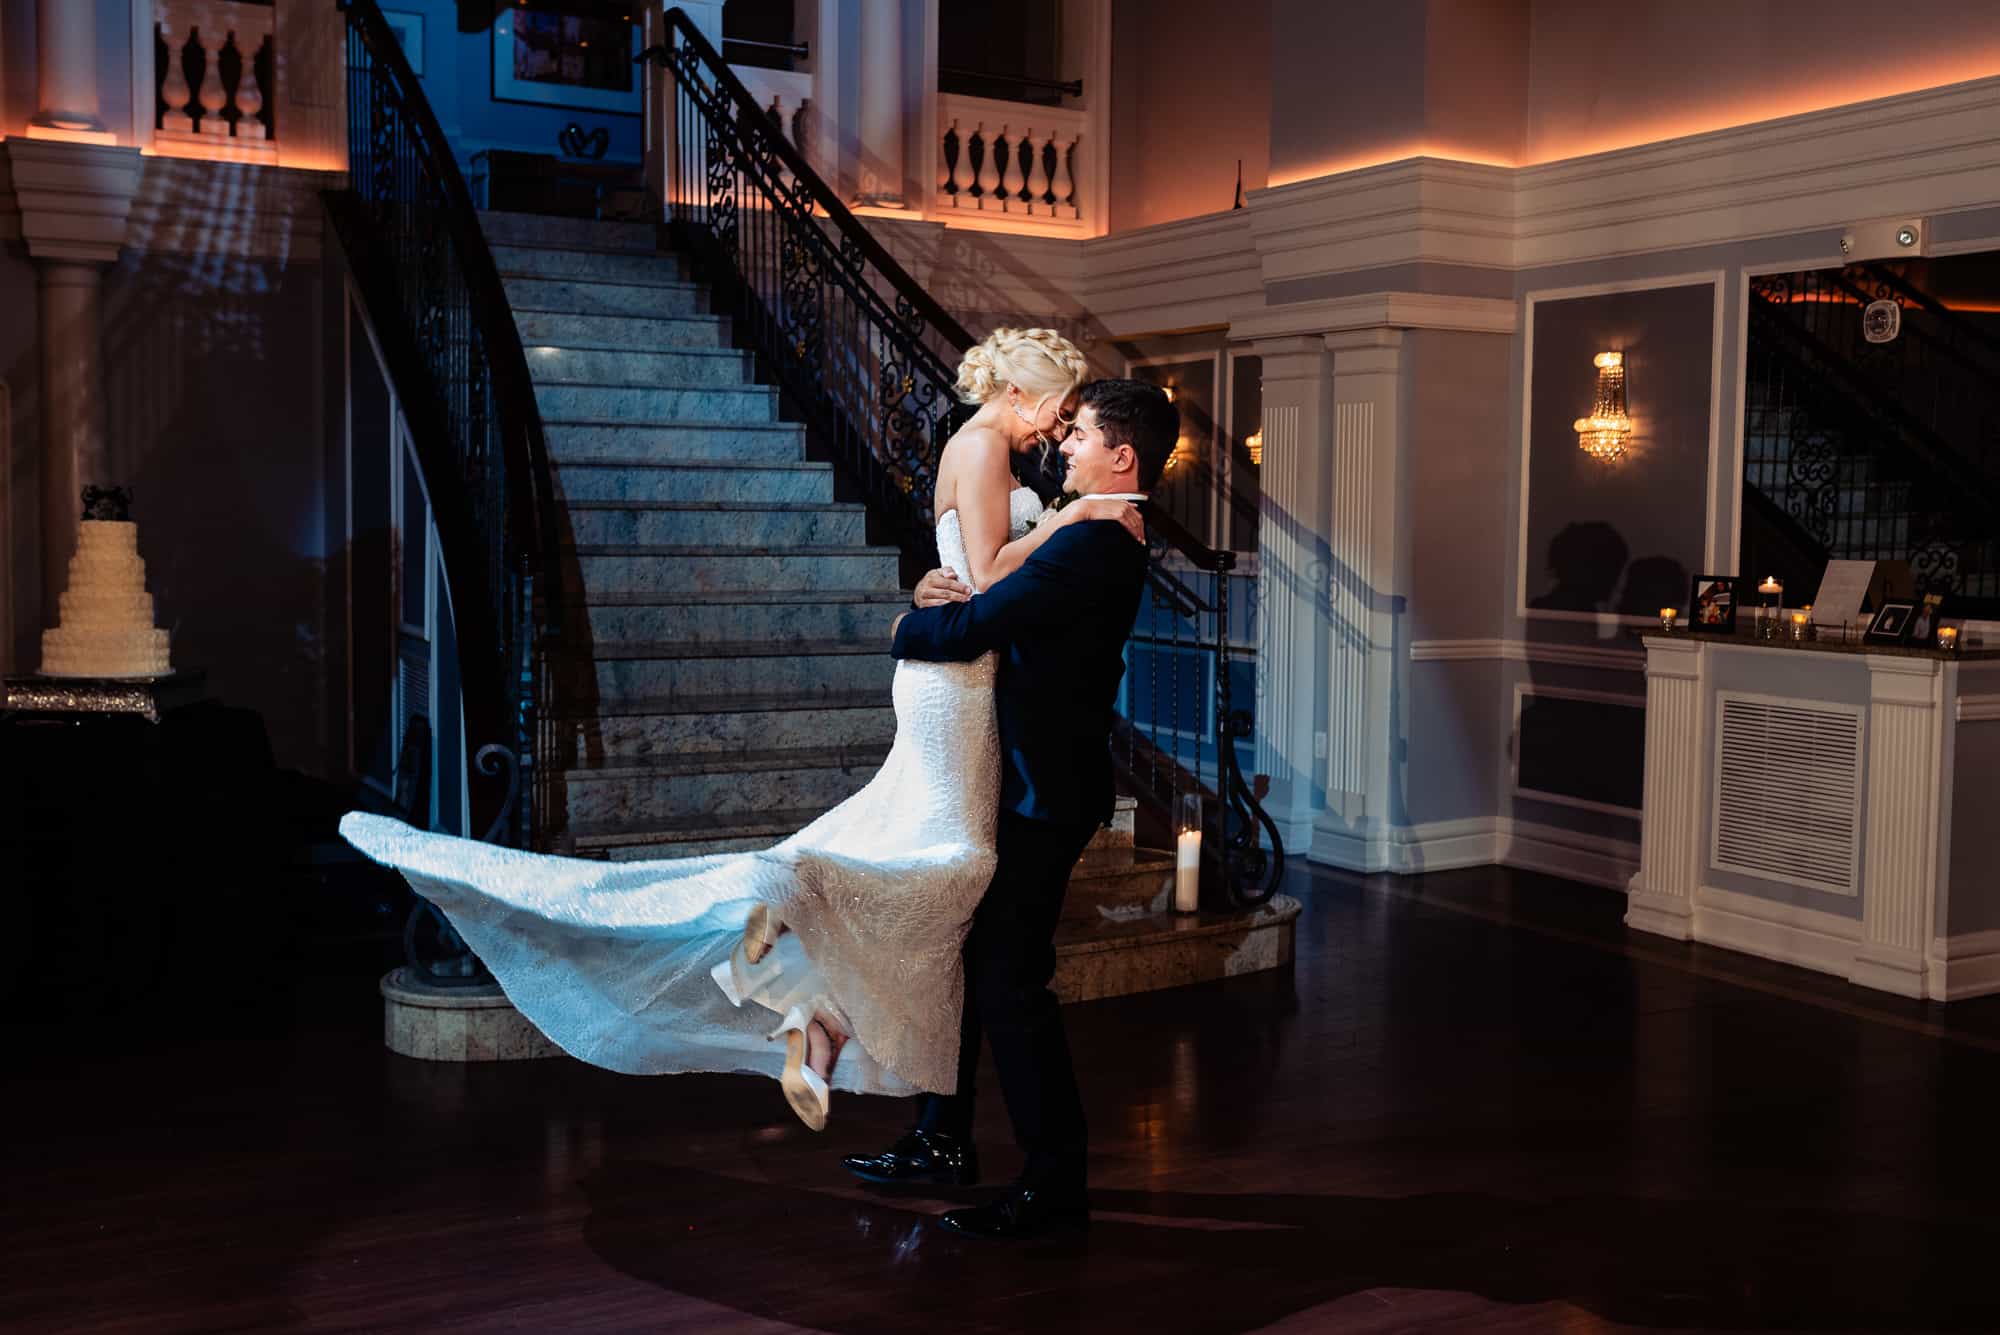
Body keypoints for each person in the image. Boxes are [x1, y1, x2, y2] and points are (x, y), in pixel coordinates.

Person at [339, 327, 1142, 1132]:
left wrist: (1013, 552)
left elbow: (969, 573)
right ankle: (789, 958)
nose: (1059, 431)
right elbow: (991, 572)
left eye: (1075, 422)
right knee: (942, 863)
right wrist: (1069, 521)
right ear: (1022, 395)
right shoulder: (984, 451)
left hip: (959, 675)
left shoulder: (980, 453)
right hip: (956, 682)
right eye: (1060, 411)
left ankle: (810, 996)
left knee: (924, 864)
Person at [842, 377, 1176, 1240]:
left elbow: (970, 626)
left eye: (1084, 436)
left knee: (1009, 977)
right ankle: (945, 1137)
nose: (1065, 444)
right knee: (976, 957)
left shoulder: (1095, 543)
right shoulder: (1088, 531)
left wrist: (900, 628)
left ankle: (1054, 1183)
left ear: (1123, 456)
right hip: (1029, 776)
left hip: (1047, 791)